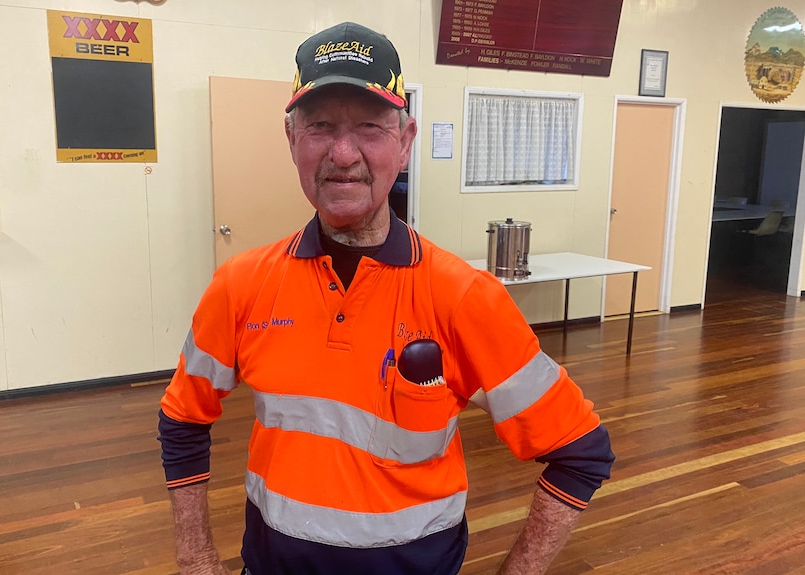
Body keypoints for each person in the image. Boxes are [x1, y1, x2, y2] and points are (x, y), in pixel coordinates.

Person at [158, 21, 614, 575]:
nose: (343, 154)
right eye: (320, 126)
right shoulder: (241, 284)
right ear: (291, 139)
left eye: (370, 127)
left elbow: (581, 452)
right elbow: (182, 418)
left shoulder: (463, 297)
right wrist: (196, 557)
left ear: (406, 140)